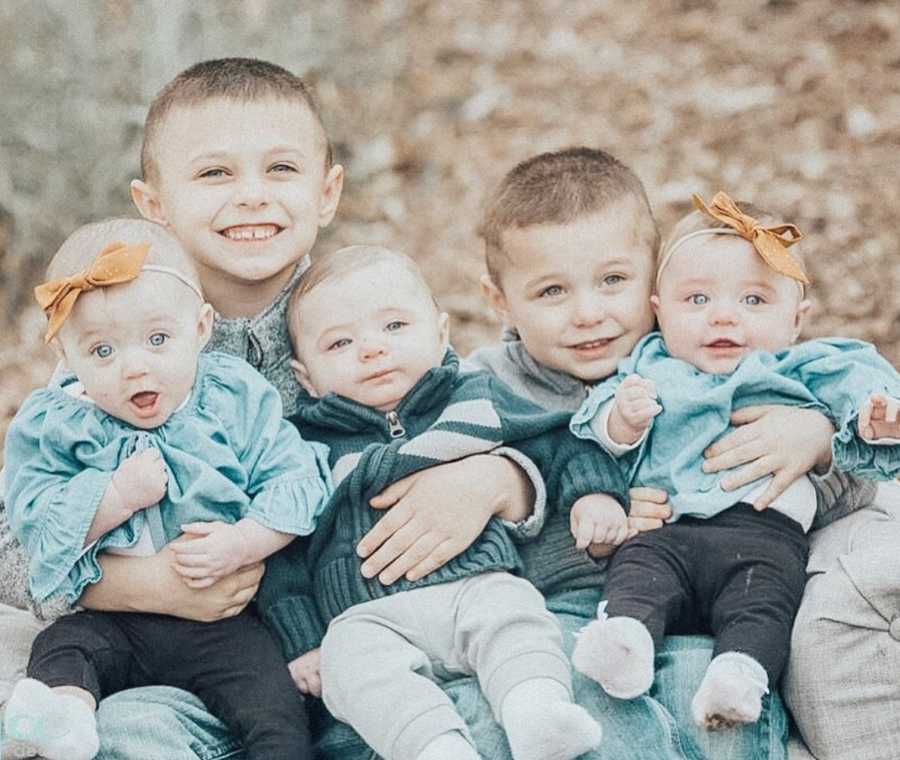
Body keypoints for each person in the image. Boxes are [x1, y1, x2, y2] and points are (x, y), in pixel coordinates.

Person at [0, 58, 537, 759]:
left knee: (480, 714)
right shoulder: (111, 347)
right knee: (128, 734)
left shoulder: (366, 312)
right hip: (169, 654)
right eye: (215, 174)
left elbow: (491, 409)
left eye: (280, 170)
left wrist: (500, 480)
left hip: (369, 633)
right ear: (153, 203)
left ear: (327, 192)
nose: (251, 197)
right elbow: (16, 542)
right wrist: (136, 587)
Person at [468, 147, 880, 759]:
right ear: (500, 301)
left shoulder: (715, 356)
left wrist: (816, 441)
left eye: (613, 281)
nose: (589, 314)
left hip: (713, 611)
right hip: (566, 614)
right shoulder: (485, 390)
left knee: (705, 693)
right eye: (552, 291)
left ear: (655, 281)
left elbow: (851, 489)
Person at [260, 244, 634, 760]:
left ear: (440, 334)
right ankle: (434, 746)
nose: (371, 349)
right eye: (340, 342)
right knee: (349, 668)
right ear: (306, 377)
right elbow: (279, 548)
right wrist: (302, 637)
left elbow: (560, 443)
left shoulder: (474, 398)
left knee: (517, 615)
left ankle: (536, 710)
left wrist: (594, 493)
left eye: (394, 327)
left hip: (475, 585)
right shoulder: (303, 448)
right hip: (366, 616)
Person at [566, 192, 900, 732]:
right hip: (666, 531)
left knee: (766, 604)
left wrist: (874, 411)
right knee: (636, 578)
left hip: (763, 534)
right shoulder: (649, 364)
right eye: (696, 300)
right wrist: (622, 420)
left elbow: (857, 378)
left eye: (754, 300)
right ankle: (625, 643)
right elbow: (596, 421)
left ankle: (738, 675)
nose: (723, 316)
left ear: (797, 319)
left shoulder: (800, 366)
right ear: (659, 311)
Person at [3, 219, 334, 760]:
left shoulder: (232, 398)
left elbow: (295, 477)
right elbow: (33, 522)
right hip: (113, 620)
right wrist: (112, 498)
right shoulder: (57, 424)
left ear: (201, 327)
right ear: (65, 352)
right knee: (60, 649)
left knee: (275, 709)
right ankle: (65, 719)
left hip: (225, 622)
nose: (136, 368)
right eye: (102, 352)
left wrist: (242, 543)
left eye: (158, 340)